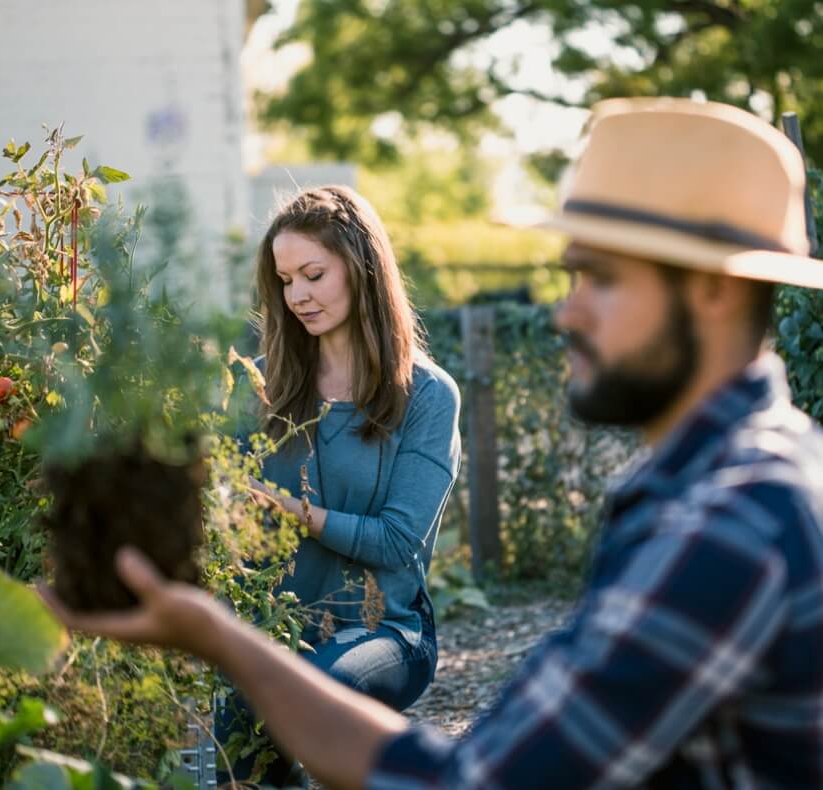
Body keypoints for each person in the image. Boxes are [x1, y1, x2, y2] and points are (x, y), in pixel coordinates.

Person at [43, 98, 823, 788]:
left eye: (603, 280)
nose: (565, 315)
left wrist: (219, 637)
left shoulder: (733, 527)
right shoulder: (722, 485)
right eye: (571, 277)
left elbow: (473, 778)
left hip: (378, 629)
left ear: (716, 289)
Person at [217, 185, 461, 784]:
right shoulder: (264, 391)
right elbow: (230, 509)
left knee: (308, 697)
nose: (297, 295)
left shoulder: (428, 397)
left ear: (362, 267)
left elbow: (398, 540)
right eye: (284, 280)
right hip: (277, 632)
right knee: (237, 749)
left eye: (313, 274)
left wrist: (298, 513)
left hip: (383, 633)